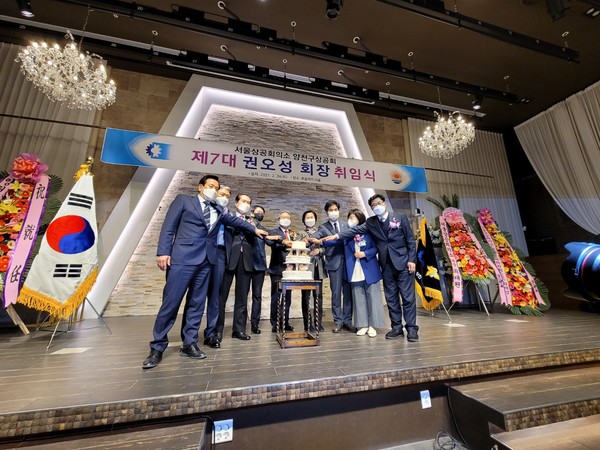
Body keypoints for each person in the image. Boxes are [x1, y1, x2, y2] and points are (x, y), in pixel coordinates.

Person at [142, 175, 267, 369]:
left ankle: (189, 343)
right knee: (171, 304)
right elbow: (169, 227)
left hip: (206, 262)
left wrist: (254, 229)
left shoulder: (217, 209)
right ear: (200, 187)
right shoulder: (184, 201)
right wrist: (163, 252)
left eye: (216, 188)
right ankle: (157, 347)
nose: (214, 190)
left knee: (196, 305)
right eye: (211, 186)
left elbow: (235, 221)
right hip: (182, 260)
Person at [324, 194, 418, 341]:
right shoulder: (371, 222)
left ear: (384, 203)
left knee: (407, 297)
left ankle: (411, 328)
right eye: (374, 205)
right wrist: (336, 236)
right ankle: (397, 328)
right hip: (386, 264)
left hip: (403, 263)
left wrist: (412, 260)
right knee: (391, 298)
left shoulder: (400, 217)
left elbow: (410, 240)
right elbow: (354, 231)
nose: (377, 206)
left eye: (378, 203)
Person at [216, 193, 257, 341]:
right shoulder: (227, 216)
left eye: (248, 202)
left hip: (245, 259)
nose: (246, 204)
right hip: (228, 258)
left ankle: (239, 329)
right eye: (243, 201)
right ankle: (217, 330)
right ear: (236, 203)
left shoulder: (252, 221)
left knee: (242, 296)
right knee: (221, 296)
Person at [311, 200, 355, 333]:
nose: (333, 212)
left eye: (335, 209)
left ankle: (347, 320)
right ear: (327, 212)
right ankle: (338, 321)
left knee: (348, 293)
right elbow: (315, 238)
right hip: (334, 263)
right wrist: (312, 241)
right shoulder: (323, 227)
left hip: (349, 262)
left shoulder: (346, 225)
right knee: (336, 293)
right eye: (331, 210)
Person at [340, 209, 386, 337]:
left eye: (354, 218)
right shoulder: (347, 235)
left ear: (360, 219)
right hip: (354, 270)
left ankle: (373, 325)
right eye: (350, 217)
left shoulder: (369, 232)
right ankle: (363, 324)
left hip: (369, 268)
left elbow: (376, 248)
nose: (351, 220)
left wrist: (365, 253)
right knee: (358, 298)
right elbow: (336, 241)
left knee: (373, 297)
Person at [204, 186, 231, 349]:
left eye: (227, 196)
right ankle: (188, 337)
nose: (224, 197)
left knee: (216, 296)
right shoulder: (207, 209)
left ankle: (212, 332)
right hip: (202, 252)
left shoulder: (227, 214)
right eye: (222, 194)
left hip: (220, 254)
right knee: (197, 295)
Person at [267, 211, 295, 332]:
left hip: (290, 270)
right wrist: (284, 243)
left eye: (288, 218)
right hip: (277, 269)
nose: (285, 219)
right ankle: (275, 323)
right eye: (283, 217)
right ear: (278, 219)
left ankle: (285, 321)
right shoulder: (274, 232)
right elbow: (270, 243)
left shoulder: (293, 233)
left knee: (287, 297)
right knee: (276, 297)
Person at [301, 209, 326, 332]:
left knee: (318, 296)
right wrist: (305, 246)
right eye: (307, 217)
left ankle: (318, 323)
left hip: (318, 267)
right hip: (305, 268)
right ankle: (307, 323)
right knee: (306, 296)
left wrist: (319, 250)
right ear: (304, 220)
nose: (310, 219)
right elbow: (297, 247)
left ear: (315, 219)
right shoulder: (300, 233)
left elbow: (327, 247)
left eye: (312, 217)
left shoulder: (321, 232)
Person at [250, 205, 268, 334]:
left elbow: (270, 239)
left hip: (259, 265)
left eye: (262, 213)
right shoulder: (246, 224)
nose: (260, 214)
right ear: (252, 213)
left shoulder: (264, 229)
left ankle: (255, 324)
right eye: (258, 212)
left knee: (257, 295)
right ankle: (239, 325)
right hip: (245, 263)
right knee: (242, 296)